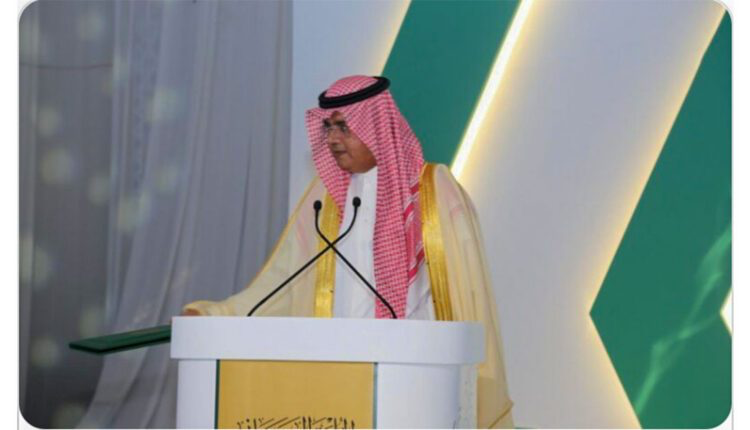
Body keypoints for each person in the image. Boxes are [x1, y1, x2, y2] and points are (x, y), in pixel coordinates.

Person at [181, 75, 514, 428]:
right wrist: (217, 315)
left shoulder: (433, 191)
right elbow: (283, 279)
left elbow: (468, 288)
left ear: (377, 127)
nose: (332, 139)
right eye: (328, 128)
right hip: (337, 372)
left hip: (416, 375)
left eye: (343, 127)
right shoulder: (324, 199)